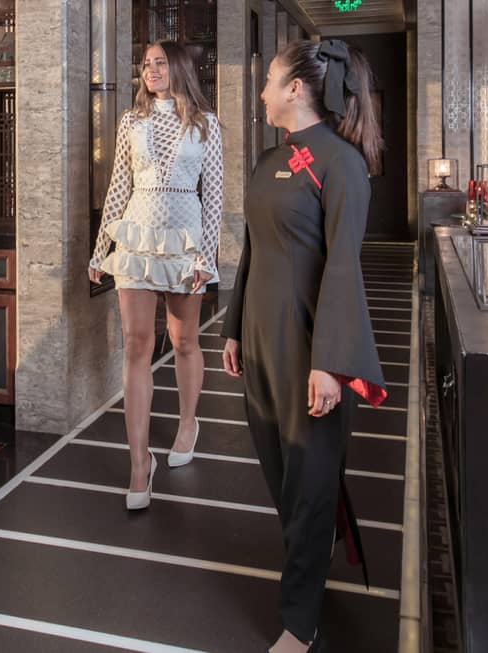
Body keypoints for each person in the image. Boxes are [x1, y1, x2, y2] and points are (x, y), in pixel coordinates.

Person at [221, 39, 389, 653]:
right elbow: (252, 247)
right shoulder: (271, 161)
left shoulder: (340, 163)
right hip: (262, 340)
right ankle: (310, 577)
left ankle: (300, 621)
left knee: (311, 482)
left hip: (311, 345)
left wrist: (331, 365)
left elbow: (343, 267)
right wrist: (234, 325)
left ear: (296, 89)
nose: (262, 90)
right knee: (284, 478)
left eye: (268, 80)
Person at [88, 40, 224, 510]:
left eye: (159, 63)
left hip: (185, 239)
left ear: (180, 67)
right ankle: (139, 464)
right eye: (146, 64)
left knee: (185, 341)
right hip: (137, 238)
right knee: (137, 345)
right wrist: (102, 246)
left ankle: (188, 423)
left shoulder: (206, 124)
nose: (150, 70)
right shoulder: (132, 121)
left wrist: (207, 258)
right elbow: (119, 186)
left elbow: (216, 196)